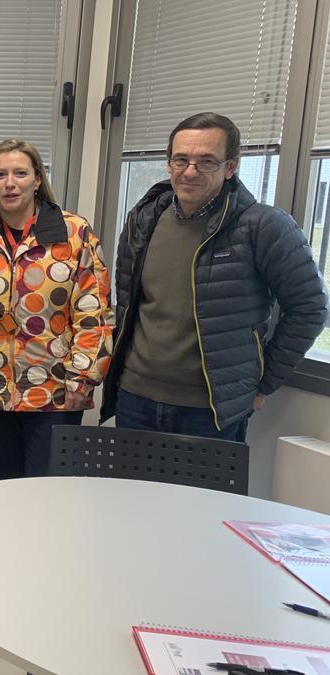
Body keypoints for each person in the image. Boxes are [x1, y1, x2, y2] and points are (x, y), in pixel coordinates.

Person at [100, 112, 328, 440]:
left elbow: (310, 309)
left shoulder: (263, 226)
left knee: (201, 495)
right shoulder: (144, 219)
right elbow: (128, 304)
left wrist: (264, 382)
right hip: (136, 398)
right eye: (181, 159)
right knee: (133, 493)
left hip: (208, 412)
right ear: (169, 163)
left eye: (206, 161)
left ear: (231, 167)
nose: (190, 171)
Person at [0, 139, 114, 479]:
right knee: (5, 486)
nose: (9, 183)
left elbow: (94, 314)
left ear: (37, 180)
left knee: (45, 494)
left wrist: (83, 379)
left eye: (20, 173)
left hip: (54, 389)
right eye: (0, 174)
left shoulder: (74, 234)